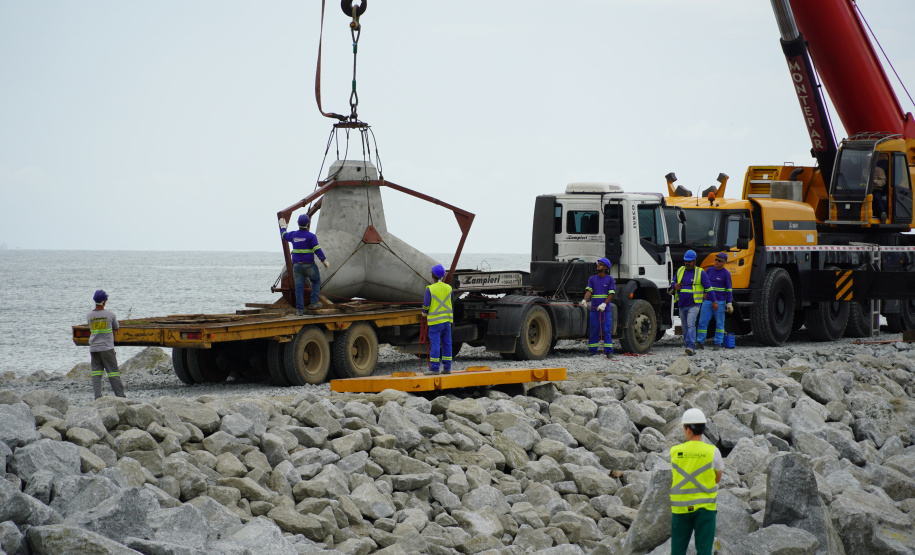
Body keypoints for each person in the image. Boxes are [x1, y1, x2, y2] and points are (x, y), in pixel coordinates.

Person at [670, 408, 723, 555]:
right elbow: (718, 476)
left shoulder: (675, 451)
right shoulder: (713, 452)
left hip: (680, 509)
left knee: (677, 551)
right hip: (706, 509)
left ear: (687, 429)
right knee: (704, 551)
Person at [279, 214, 329, 315]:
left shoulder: (293, 235)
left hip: (297, 266)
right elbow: (317, 249)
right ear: (308, 224)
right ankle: (314, 302)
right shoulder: (311, 236)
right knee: (316, 281)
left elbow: (284, 235)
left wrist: (283, 227)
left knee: (299, 288)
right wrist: (324, 260)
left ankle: (300, 310)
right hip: (309, 265)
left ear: (298, 224)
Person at [86, 290, 126, 400]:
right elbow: (116, 327)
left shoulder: (89, 315)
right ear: (105, 301)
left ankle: (97, 397)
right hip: (107, 348)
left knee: (96, 374)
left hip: (94, 348)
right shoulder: (110, 314)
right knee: (113, 373)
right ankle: (120, 397)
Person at [673, 250, 710, 356]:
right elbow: (673, 281)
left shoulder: (700, 272)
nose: (687, 263)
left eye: (689, 261)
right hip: (682, 304)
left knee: (690, 324)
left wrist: (714, 300)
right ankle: (688, 345)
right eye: (686, 261)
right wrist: (674, 285)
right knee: (684, 329)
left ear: (694, 261)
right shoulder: (680, 270)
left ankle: (691, 347)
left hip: (694, 304)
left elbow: (709, 287)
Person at [695, 252, 733, 351]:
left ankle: (718, 343)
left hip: (720, 302)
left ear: (723, 263)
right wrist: (702, 293)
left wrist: (729, 303)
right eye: (716, 259)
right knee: (702, 322)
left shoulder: (726, 274)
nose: (716, 262)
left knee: (719, 323)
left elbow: (729, 289)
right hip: (707, 301)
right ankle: (699, 342)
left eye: (719, 261)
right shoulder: (709, 270)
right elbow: (704, 283)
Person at [580, 257, 616, 356]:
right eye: (598, 264)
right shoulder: (592, 279)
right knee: (594, 329)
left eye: (600, 264)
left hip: (605, 310)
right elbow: (589, 291)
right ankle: (592, 350)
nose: (598, 265)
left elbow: (611, 293)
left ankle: (609, 352)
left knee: (606, 330)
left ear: (605, 267)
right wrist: (585, 300)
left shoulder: (610, 279)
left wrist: (604, 304)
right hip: (594, 310)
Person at [422, 264, 453, 375]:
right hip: (447, 321)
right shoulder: (449, 288)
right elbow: (451, 302)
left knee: (435, 344)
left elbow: (426, 305)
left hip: (435, 322)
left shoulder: (430, 289)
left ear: (432, 275)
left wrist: (424, 313)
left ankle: (435, 369)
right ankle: (447, 368)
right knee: (447, 343)